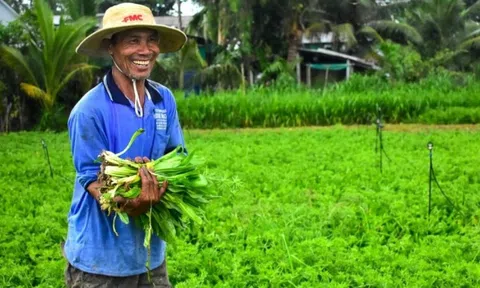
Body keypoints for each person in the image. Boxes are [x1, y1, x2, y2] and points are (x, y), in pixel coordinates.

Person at [64, 3, 187, 287]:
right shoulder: (89, 110)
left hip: (150, 256)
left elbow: (177, 155)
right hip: (99, 262)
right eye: (133, 40)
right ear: (111, 47)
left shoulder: (163, 99)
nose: (145, 50)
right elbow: (91, 180)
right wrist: (128, 198)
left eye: (151, 39)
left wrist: (162, 177)